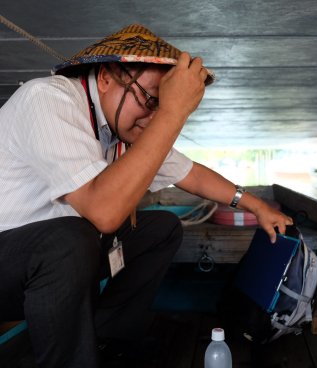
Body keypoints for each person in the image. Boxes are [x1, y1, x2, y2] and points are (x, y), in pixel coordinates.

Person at [0, 24, 293, 367]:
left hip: (52, 267)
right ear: (107, 77)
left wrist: (257, 206)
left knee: (160, 229)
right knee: (71, 238)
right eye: (151, 99)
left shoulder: (119, 128)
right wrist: (172, 113)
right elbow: (104, 212)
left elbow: (191, 173)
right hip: (14, 264)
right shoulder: (48, 100)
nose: (154, 117)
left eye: (161, 106)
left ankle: (106, 340)